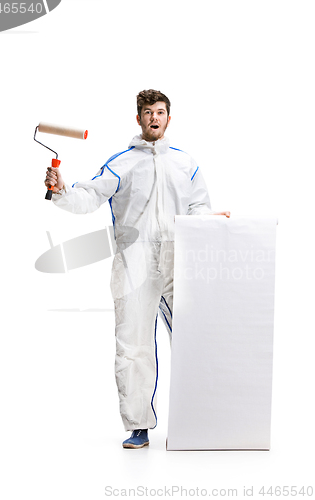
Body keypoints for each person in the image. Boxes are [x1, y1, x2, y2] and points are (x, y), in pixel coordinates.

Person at [44, 89, 230, 449]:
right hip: (134, 264)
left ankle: (202, 418)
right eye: (148, 112)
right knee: (133, 345)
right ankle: (139, 426)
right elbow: (88, 198)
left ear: (169, 119)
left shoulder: (185, 163)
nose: (154, 118)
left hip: (180, 258)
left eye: (160, 112)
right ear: (139, 118)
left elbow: (198, 207)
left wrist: (211, 219)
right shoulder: (122, 163)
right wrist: (62, 189)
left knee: (197, 338)